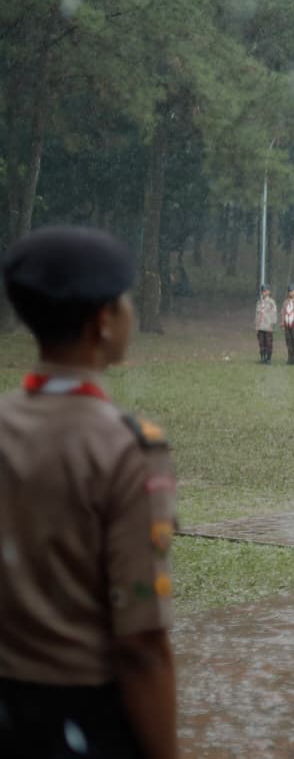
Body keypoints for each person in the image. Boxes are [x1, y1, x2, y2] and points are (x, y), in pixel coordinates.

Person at [0, 226, 177, 758]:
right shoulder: (125, 447)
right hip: (83, 720)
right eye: (124, 301)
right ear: (104, 320)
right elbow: (141, 641)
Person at [255, 284, 277, 364]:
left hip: (268, 325)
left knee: (268, 343)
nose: (264, 292)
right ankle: (262, 357)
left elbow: (274, 313)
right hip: (260, 325)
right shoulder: (259, 302)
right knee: (261, 342)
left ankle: (268, 358)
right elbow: (257, 315)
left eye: (265, 291)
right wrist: (256, 326)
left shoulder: (271, 302)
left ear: (268, 292)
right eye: (263, 291)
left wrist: (272, 324)